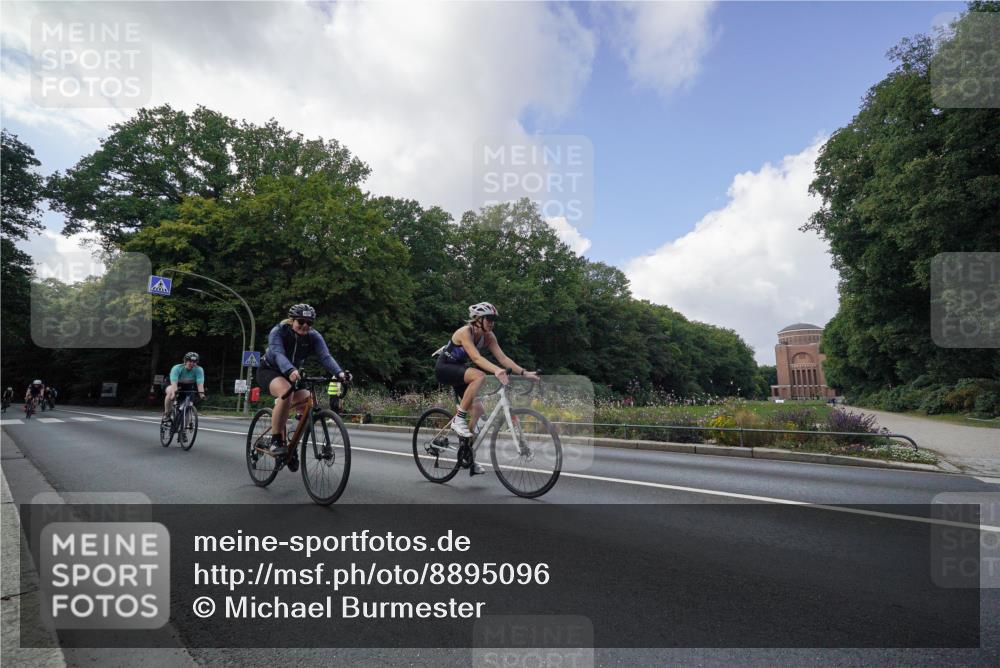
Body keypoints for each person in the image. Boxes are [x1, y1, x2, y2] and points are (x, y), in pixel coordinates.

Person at [434, 302, 538, 473]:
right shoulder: (464, 332)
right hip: (444, 368)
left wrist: (524, 373)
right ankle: (459, 419)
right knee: (479, 376)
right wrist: (496, 370)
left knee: (479, 411)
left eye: (493, 320)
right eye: (488, 319)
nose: (491, 323)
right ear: (477, 319)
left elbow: (503, 358)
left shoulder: (489, 337)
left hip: (460, 371)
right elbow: (476, 358)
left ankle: (467, 454)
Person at [257, 304, 351, 457]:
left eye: (309, 323)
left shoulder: (313, 336)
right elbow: (278, 354)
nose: (305, 325)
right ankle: (276, 441)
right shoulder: (279, 331)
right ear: (292, 320)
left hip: (294, 373)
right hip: (270, 370)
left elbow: (325, 357)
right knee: (286, 392)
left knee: (309, 402)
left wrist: (340, 373)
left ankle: (292, 443)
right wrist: (290, 370)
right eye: (301, 321)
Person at [164, 352, 206, 418]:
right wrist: (174, 394)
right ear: (185, 361)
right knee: (171, 392)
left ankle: (185, 421)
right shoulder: (177, 368)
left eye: (194, 362)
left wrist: (202, 395)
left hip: (187, 385)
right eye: (190, 361)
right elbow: (174, 383)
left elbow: (200, 384)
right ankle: (167, 413)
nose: (192, 363)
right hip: (173, 383)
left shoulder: (199, 369)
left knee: (188, 403)